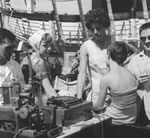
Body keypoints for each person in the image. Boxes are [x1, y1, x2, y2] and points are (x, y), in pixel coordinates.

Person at [94, 41, 138, 125]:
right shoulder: (130, 73)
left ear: (108, 54)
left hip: (114, 121)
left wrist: (86, 106)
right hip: (131, 119)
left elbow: (98, 107)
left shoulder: (106, 78)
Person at [77, 8, 111, 103]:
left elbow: (136, 52)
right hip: (97, 94)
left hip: (115, 93)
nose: (95, 32)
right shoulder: (86, 47)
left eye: (98, 28)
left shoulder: (114, 42)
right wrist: (79, 96)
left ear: (105, 26)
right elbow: (82, 73)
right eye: (92, 29)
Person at [21, 30, 58, 105]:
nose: (49, 48)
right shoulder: (37, 62)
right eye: (45, 45)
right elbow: (48, 89)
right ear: (37, 45)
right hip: (35, 102)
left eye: (50, 45)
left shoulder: (31, 58)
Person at [127, 22, 150, 122]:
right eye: (143, 39)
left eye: (149, 37)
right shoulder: (134, 60)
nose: (147, 41)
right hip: (140, 110)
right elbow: (127, 86)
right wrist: (137, 83)